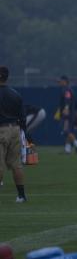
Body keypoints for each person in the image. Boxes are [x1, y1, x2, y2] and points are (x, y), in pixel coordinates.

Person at [0, 66, 28, 202]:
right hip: (15, 129)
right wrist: (24, 133)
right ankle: (21, 195)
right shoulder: (15, 94)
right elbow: (22, 117)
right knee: (16, 164)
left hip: (1, 130)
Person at [57, 75, 77, 154]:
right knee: (68, 131)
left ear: (64, 81)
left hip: (68, 114)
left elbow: (67, 100)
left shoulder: (66, 90)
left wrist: (66, 109)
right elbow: (76, 104)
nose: (59, 82)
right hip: (71, 113)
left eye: (60, 81)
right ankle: (67, 150)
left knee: (66, 130)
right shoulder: (70, 90)